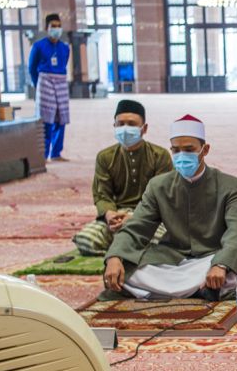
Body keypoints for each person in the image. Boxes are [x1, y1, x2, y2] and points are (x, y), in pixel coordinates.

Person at [103, 115, 237, 300]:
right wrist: (115, 256)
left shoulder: (230, 185)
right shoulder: (158, 186)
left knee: (234, 268)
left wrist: (221, 264)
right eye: (176, 150)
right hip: (171, 258)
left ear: (205, 149)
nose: (181, 156)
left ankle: (169, 290)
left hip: (212, 256)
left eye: (189, 149)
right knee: (123, 269)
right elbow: (137, 227)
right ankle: (200, 290)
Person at [72, 100, 173, 256]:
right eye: (121, 124)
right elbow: (102, 194)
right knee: (85, 240)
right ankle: (127, 245)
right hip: (117, 217)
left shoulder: (159, 156)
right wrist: (110, 214)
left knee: (162, 240)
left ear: (144, 129)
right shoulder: (105, 157)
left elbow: (161, 197)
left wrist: (134, 218)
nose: (125, 129)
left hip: (149, 218)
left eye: (131, 124)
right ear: (114, 127)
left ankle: (121, 245)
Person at [29, 13, 71, 161]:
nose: (56, 29)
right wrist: (39, 85)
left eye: (59, 26)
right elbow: (32, 67)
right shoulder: (38, 46)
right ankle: (44, 154)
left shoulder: (65, 48)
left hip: (61, 83)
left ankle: (56, 153)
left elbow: (64, 64)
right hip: (45, 83)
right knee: (46, 119)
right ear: (46, 28)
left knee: (62, 118)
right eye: (53, 26)